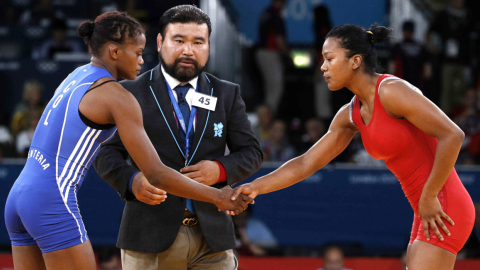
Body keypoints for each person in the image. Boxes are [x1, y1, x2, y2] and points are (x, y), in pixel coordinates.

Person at [4, 11, 250, 270]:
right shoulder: (118, 96)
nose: (142, 60)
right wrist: (217, 196)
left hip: (19, 196)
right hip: (51, 199)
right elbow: (156, 174)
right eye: (138, 52)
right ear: (114, 52)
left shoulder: (76, 76)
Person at [231, 23, 475, 270]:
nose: (322, 67)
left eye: (329, 59)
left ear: (355, 61)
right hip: (425, 208)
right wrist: (255, 187)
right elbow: (306, 163)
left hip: (442, 205)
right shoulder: (350, 115)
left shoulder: (392, 91)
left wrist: (431, 194)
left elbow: (453, 135)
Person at [93, 5, 262, 270]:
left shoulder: (226, 93)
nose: (188, 50)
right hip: (149, 233)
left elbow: (252, 153)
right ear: (160, 42)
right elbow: (104, 153)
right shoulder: (130, 92)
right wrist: (131, 179)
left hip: (213, 238)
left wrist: (219, 170)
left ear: (207, 46)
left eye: (198, 42)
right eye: (179, 40)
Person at [255, 0, 289, 115]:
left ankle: (266, 117)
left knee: (270, 88)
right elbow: (280, 41)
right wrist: (289, 56)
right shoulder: (275, 14)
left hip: (263, 53)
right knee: (276, 87)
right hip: (269, 53)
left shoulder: (268, 12)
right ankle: (268, 118)